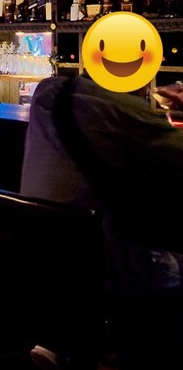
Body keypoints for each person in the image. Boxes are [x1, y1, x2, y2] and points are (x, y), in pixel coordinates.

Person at [21, 74, 183, 370]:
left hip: (38, 259)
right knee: (171, 267)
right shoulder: (124, 110)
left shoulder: (46, 91)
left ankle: (64, 337)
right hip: (98, 268)